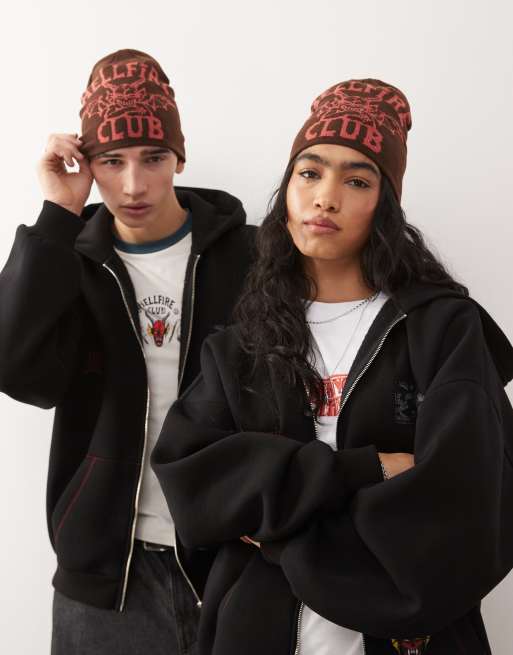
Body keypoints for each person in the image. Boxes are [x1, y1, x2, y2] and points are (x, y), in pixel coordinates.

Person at [152, 79, 513, 655]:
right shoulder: (243, 344)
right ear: (288, 190)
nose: (325, 198)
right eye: (309, 173)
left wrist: (275, 526)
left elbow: (466, 503)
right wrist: (367, 470)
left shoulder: (441, 330)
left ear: (385, 205)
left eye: (357, 181)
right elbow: (193, 486)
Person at [0, 49, 255, 655]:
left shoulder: (253, 256)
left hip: (234, 562)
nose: (134, 185)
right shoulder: (70, 263)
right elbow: (15, 372)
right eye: (112, 161)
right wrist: (58, 214)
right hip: (107, 574)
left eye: (153, 158)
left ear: (179, 157)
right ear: (87, 163)